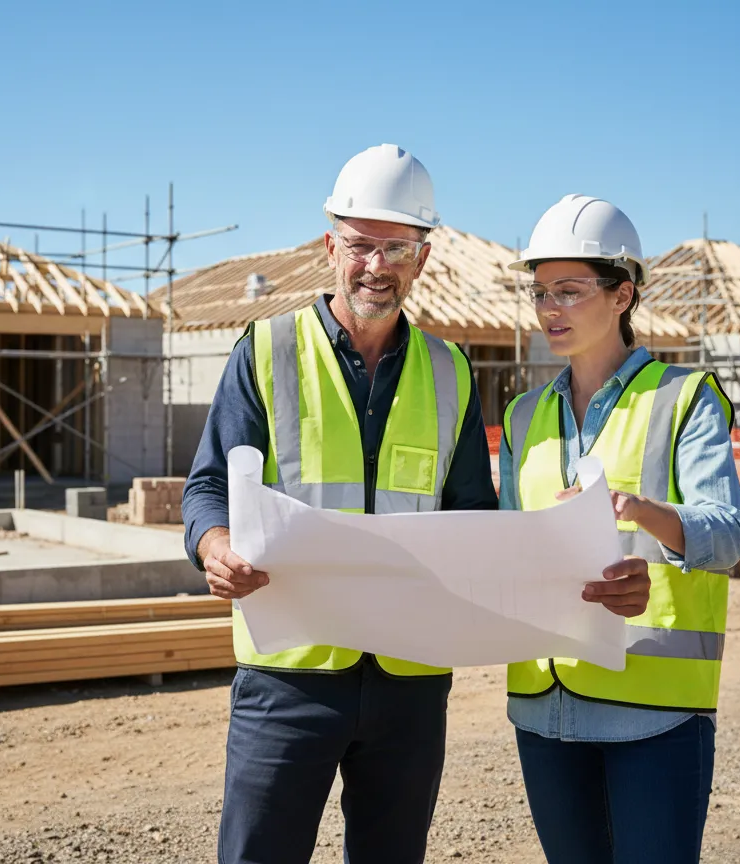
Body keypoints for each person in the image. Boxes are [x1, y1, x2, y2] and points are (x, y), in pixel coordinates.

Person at [180, 143, 498, 863]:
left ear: (422, 258)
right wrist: (216, 545)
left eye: (395, 248)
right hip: (290, 669)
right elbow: (206, 488)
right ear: (331, 246)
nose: (375, 266)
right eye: (360, 245)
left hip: (409, 680)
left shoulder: (450, 372)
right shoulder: (267, 351)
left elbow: (474, 516)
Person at [500, 194, 740, 864]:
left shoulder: (684, 398)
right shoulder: (523, 417)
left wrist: (641, 512)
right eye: (541, 292)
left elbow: (727, 537)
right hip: (541, 707)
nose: (550, 308)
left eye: (570, 290)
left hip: (655, 712)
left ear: (622, 295)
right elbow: (504, 547)